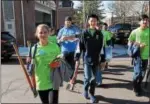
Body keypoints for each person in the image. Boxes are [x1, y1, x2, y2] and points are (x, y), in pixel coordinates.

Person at [26, 24, 60, 103]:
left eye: (45, 32)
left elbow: (60, 60)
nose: (43, 34)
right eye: (40, 32)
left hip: (53, 81)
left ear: (49, 33)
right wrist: (29, 62)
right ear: (37, 34)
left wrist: (57, 63)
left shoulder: (55, 46)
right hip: (41, 82)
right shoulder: (33, 49)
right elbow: (30, 66)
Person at [74, 14, 104, 103]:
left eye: (95, 20)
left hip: (96, 59)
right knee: (88, 77)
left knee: (93, 78)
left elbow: (102, 47)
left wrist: (102, 59)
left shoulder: (99, 33)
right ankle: (86, 90)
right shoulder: (84, 33)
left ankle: (91, 94)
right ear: (88, 22)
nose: (93, 22)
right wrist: (77, 58)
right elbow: (80, 46)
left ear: (97, 22)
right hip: (87, 59)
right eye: (91, 20)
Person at [128, 14, 149, 96]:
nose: (145, 21)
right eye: (143, 20)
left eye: (147, 20)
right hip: (137, 56)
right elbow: (130, 42)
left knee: (143, 74)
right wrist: (137, 45)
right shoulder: (135, 31)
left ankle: (138, 85)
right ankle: (136, 88)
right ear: (139, 22)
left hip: (146, 56)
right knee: (138, 73)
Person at [57, 16, 81, 89]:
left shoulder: (75, 29)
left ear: (71, 22)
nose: (68, 23)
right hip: (64, 50)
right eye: (67, 22)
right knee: (64, 64)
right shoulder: (61, 30)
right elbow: (58, 40)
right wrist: (61, 39)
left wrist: (73, 37)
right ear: (64, 22)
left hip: (73, 50)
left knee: (72, 65)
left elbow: (79, 36)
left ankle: (71, 79)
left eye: (69, 22)